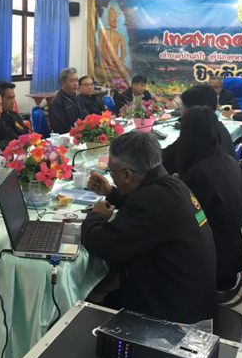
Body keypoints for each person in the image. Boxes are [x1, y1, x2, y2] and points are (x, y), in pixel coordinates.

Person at [82, 130, 218, 325]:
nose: (110, 176)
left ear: (127, 175)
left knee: (93, 300)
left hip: (174, 317)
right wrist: (111, 193)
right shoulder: (171, 185)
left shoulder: (149, 201)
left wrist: (96, 215)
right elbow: (147, 215)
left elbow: (101, 244)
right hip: (190, 297)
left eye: (111, 171)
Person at [175, 106, 242, 289]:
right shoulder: (226, 160)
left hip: (214, 267)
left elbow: (195, 220)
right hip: (230, 256)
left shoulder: (201, 173)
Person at [161, 85, 236, 175]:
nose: (181, 112)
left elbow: (163, 161)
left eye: (182, 107)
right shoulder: (218, 127)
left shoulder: (196, 135)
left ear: (193, 111)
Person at [96, 4, 130, 83]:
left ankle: (114, 73)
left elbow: (124, 53)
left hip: (116, 63)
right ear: (108, 19)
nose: (114, 20)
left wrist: (119, 63)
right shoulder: (103, 32)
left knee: (126, 71)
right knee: (99, 70)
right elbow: (101, 48)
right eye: (112, 17)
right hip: (105, 63)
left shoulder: (120, 35)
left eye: (115, 18)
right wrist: (108, 60)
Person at [49, 67, 88, 134]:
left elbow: (85, 117)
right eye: (72, 81)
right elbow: (59, 129)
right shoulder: (57, 102)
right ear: (62, 83)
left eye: (77, 80)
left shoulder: (77, 98)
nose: (76, 84)